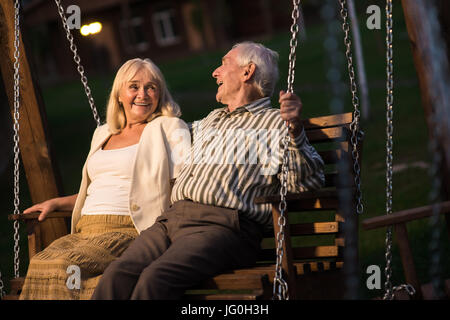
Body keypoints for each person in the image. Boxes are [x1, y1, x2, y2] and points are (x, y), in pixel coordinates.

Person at [92, 42, 325, 300]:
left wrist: (294, 130)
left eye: (223, 64)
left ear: (247, 72)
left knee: (155, 279)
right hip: (171, 220)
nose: (215, 72)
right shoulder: (210, 120)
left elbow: (306, 182)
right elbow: (160, 141)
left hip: (223, 226)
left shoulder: (274, 123)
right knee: (117, 274)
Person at [19, 58, 190, 300]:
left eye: (151, 87)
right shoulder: (103, 133)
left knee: (64, 268)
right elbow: (97, 189)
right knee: (40, 264)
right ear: (119, 94)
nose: (143, 94)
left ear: (160, 94)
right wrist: (56, 203)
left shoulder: (170, 128)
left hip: (129, 229)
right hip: (85, 230)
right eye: (134, 86)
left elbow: (182, 185)